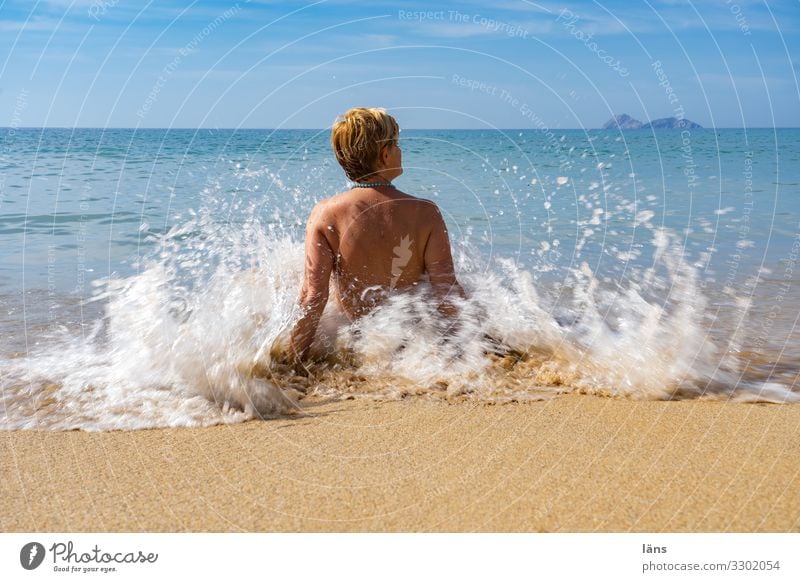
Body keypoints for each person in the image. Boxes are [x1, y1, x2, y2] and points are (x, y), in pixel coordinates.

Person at [287, 107, 465, 363]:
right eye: (397, 144)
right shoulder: (425, 212)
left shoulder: (325, 213)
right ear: (384, 155)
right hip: (414, 347)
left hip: (356, 343)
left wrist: (294, 361)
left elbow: (313, 296)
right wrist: (468, 352)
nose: (401, 151)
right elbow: (445, 290)